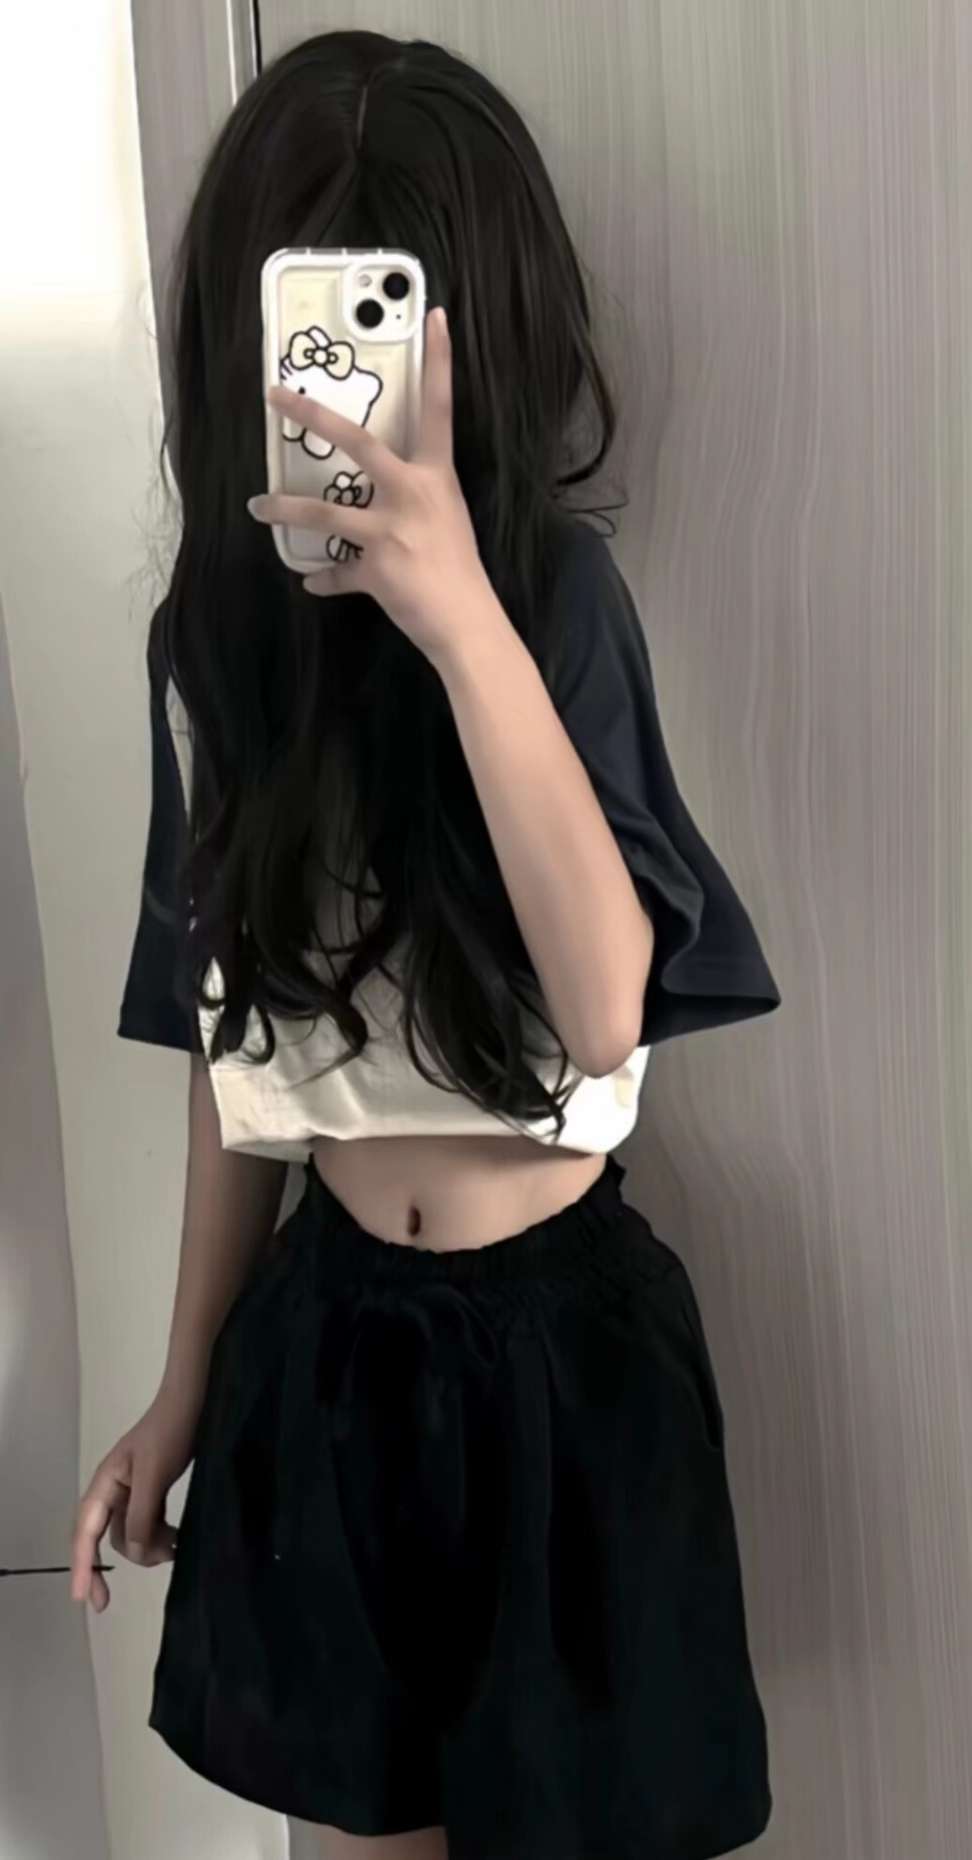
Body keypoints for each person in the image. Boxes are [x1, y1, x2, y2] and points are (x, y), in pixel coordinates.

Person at [72, 29, 781, 1860]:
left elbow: (606, 1009)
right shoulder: (216, 651)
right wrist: (181, 1386)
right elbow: (237, 1063)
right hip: (323, 1347)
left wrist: (463, 624)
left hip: (563, 1361)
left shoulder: (553, 603)